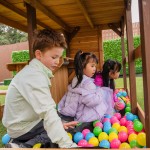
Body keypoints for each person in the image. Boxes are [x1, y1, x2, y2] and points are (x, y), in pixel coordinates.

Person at [2, 29, 78, 148]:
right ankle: (22, 146)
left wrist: (59, 124)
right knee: (56, 132)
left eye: (59, 57)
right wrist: (68, 145)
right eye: (54, 57)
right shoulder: (33, 76)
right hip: (21, 129)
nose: (58, 62)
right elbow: (47, 112)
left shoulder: (37, 72)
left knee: (61, 123)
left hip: (28, 123)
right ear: (39, 54)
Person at [58, 50, 114, 123]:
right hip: (81, 117)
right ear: (82, 66)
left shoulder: (76, 78)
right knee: (102, 105)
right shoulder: (88, 83)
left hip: (70, 112)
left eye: (95, 66)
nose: (94, 69)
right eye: (92, 66)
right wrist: (100, 91)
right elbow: (93, 101)